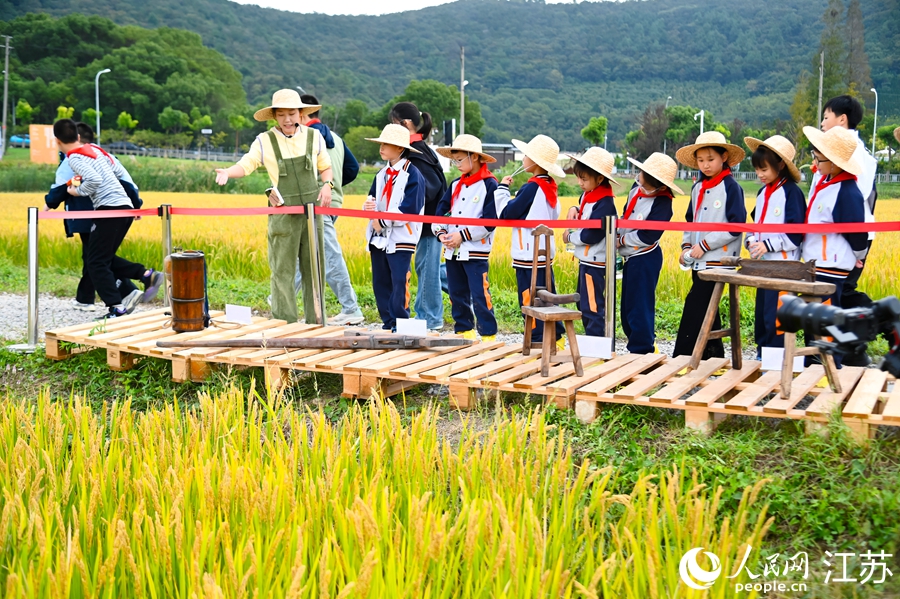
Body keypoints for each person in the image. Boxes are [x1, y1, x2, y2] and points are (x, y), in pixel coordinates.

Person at [214, 89, 333, 324]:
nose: (287, 119)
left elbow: (325, 167)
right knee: (282, 271)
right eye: (281, 115)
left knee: (314, 270)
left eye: (292, 113)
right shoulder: (264, 141)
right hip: (283, 214)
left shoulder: (314, 137)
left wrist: (327, 185)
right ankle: (284, 325)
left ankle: (316, 323)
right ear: (274, 117)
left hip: (312, 213)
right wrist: (227, 172)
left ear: (301, 114)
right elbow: (246, 165)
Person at [52, 118, 163, 319]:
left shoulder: (74, 157)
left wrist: (77, 191)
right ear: (78, 136)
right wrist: (134, 203)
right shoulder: (95, 150)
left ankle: (116, 307)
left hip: (109, 210)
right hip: (124, 208)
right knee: (102, 258)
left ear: (57, 141)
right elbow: (119, 172)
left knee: (95, 262)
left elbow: (94, 180)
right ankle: (146, 275)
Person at [291, 94, 364, 326]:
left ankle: (351, 308)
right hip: (333, 203)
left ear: (302, 114)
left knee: (330, 256)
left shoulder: (304, 138)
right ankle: (280, 301)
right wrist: (334, 185)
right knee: (306, 255)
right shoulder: (337, 138)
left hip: (314, 204)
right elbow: (352, 168)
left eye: (292, 113)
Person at [673, 131, 747, 359]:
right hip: (697, 260)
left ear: (724, 157)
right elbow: (690, 221)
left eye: (711, 159)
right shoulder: (697, 188)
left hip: (719, 261)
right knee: (708, 308)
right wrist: (686, 246)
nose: (705, 165)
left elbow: (736, 226)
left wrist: (704, 245)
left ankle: (683, 357)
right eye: (701, 160)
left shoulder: (731, 187)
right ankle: (713, 357)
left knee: (694, 305)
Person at [817, 95, 878, 365]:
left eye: (826, 117)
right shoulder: (841, 151)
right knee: (838, 292)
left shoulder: (853, 154)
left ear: (842, 120)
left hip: (849, 237)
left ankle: (881, 319)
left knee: (841, 291)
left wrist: (857, 248)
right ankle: (853, 352)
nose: (822, 123)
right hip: (837, 237)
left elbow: (850, 202)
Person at [801, 126, 868, 368]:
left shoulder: (846, 191)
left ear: (834, 162)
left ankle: (829, 366)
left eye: (818, 159)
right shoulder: (827, 183)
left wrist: (858, 255)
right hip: (817, 263)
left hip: (831, 265)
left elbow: (857, 233)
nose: (815, 163)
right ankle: (815, 364)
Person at [496, 134, 567, 347]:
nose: (523, 159)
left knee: (529, 298)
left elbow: (506, 214)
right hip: (544, 254)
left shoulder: (531, 188)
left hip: (528, 254)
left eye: (526, 155)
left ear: (535, 161)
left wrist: (502, 190)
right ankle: (556, 337)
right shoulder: (549, 186)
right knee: (547, 296)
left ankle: (537, 342)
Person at [743, 135, 806, 355]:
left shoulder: (792, 193)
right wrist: (751, 240)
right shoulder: (762, 193)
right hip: (763, 266)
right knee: (762, 313)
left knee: (777, 316)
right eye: (757, 170)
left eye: (764, 169)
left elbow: (795, 235)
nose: (759, 174)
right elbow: (755, 225)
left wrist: (767, 246)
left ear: (780, 165)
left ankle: (777, 360)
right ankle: (762, 354)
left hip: (783, 268)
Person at [432, 134, 499, 342]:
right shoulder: (455, 185)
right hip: (452, 250)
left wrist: (462, 236)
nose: (457, 164)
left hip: (476, 251)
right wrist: (441, 233)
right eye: (455, 161)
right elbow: (439, 214)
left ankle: (488, 334)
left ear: (475, 157)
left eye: (460, 159)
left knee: (480, 293)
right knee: (456, 292)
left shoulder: (490, 185)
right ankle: (463, 330)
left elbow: (490, 221)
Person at [390, 102, 449, 331]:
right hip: (431, 221)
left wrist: (405, 201)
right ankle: (436, 309)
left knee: (427, 268)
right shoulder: (421, 149)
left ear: (406, 124)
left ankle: (429, 317)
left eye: (394, 124)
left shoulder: (416, 153)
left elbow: (428, 188)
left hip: (428, 222)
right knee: (428, 266)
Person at [362, 124, 425, 331]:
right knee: (380, 281)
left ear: (399, 148)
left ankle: (401, 322)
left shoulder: (412, 174)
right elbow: (372, 199)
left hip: (401, 237)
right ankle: (388, 322)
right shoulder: (381, 174)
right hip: (378, 237)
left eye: (386, 144)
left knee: (399, 281)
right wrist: (368, 208)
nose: (381, 148)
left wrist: (382, 221)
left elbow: (410, 208)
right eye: (381, 144)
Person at [618, 152, 679, 354]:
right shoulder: (635, 189)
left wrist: (621, 240)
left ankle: (642, 350)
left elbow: (648, 235)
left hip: (645, 257)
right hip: (629, 257)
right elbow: (626, 214)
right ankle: (640, 345)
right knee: (627, 307)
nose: (641, 184)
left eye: (648, 186)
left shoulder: (663, 202)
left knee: (640, 307)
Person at [562, 147, 620, 337]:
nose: (580, 183)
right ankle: (593, 339)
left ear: (600, 179)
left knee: (592, 306)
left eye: (584, 179)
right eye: (578, 178)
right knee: (584, 302)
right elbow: (583, 210)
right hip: (587, 261)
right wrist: (574, 207)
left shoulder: (605, 203)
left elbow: (591, 235)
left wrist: (570, 237)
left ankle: (596, 342)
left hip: (595, 263)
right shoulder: (590, 195)